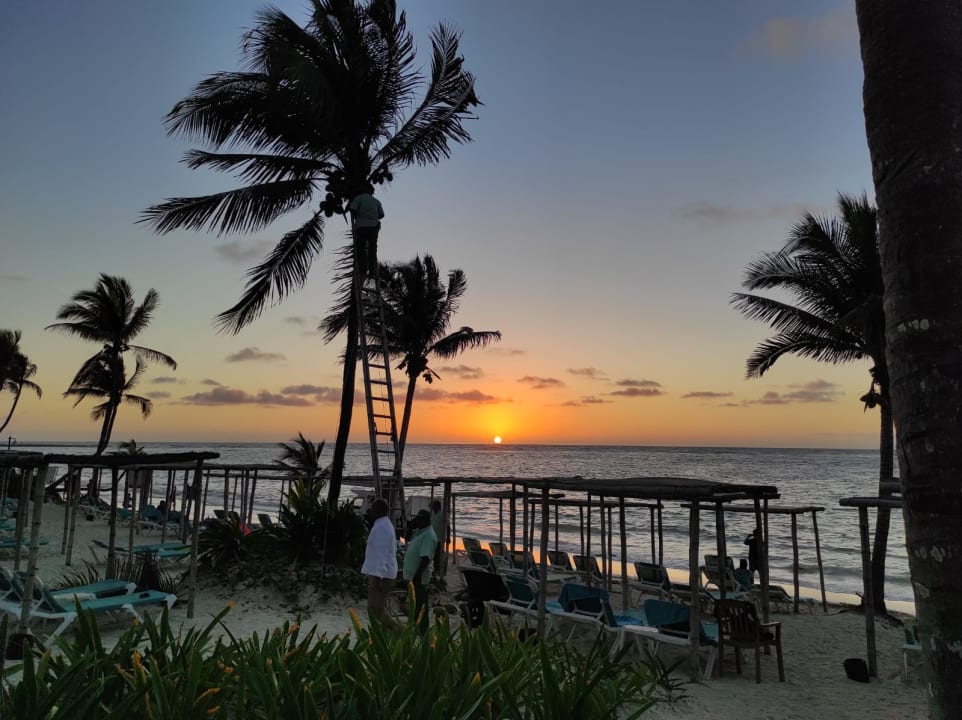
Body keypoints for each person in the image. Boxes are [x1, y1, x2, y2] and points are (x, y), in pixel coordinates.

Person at [361, 498, 398, 628]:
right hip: (383, 573)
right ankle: (387, 634)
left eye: (372, 509)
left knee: (375, 610)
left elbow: (380, 554)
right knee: (377, 609)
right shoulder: (383, 525)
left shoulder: (382, 527)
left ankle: (398, 633)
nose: (370, 512)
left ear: (378, 511)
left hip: (382, 575)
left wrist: (377, 578)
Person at [402, 508, 438, 633]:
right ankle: (414, 628)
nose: (417, 520)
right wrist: (410, 527)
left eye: (419, 519)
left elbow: (425, 558)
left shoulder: (428, 535)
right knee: (414, 604)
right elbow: (406, 538)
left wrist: (417, 575)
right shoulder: (420, 532)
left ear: (426, 520)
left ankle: (422, 631)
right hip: (413, 576)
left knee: (420, 605)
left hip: (420, 577)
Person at [348, 184, 384, 279]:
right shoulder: (376, 201)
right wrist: (373, 216)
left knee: (361, 248)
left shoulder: (359, 198)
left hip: (361, 226)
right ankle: (372, 270)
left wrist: (357, 216)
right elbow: (381, 215)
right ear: (371, 192)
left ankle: (363, 268)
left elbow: (352, 209)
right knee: (372, 249)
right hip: (373, 227)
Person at [430, 499, 447, 585]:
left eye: (433, 506)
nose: (432, 508)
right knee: (433, 555)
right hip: (433, 538)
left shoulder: (443, 514)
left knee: (439, 556)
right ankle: (435, 570)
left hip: (440, 538)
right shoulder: (432, 514)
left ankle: (440, 572)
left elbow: (447, 526)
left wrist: (448, 538)